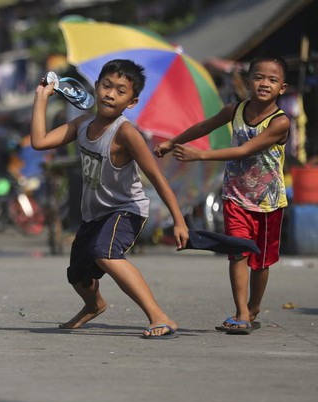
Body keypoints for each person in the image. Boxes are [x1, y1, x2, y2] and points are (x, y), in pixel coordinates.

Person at [31, 59, 189, 339]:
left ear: (132, 101)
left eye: (120, 91)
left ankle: (159, 316)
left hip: (126, 209)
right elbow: (40, 142)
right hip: (94, 213)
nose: (110, 94)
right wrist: (41, 99)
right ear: (96, 87)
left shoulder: (127, 133)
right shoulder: (83, 123)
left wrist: (179, 221)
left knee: (105, 253)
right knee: (77, 276)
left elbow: (156, 177)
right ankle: (94, 306)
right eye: (106, 86)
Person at [154, 56, 290, 335]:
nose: (264, 83)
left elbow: (244, 150)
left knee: (261, 261)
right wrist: (173, 142)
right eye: (259, 77)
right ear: (248, 82)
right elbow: (204, 127)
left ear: (282, 88)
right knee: (237, 252)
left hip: (268, 202)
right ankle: (241, 312)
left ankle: (253, 307)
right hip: (236, 196)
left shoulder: (280, 122)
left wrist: (200, 155)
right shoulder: (234, 110)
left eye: (272, 80)